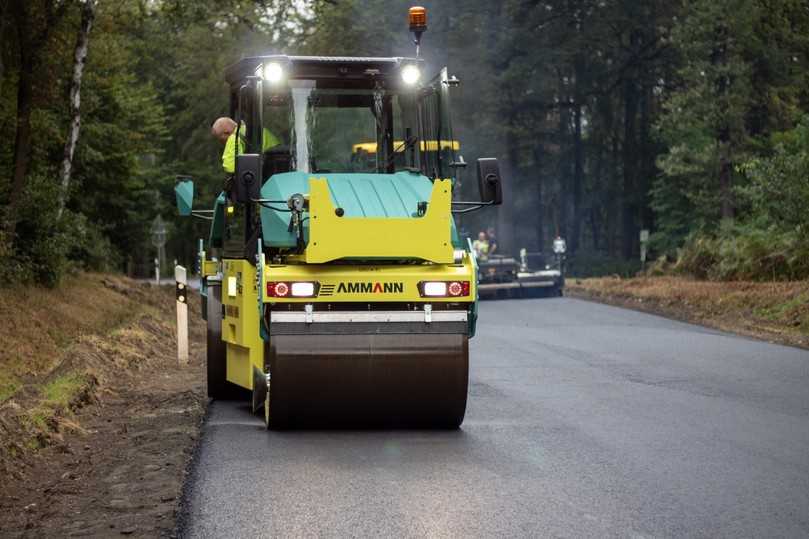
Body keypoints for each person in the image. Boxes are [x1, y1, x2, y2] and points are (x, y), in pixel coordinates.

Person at [211, 117, 281, 174]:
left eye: (220, 139)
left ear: (226, 132)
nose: (222, 143)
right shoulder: (260, 130)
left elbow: (230, 167)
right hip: (279, 170)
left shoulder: (234, 137)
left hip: (261, 180)